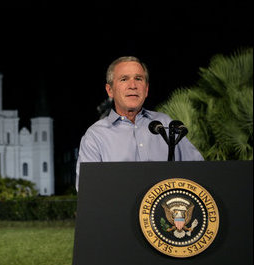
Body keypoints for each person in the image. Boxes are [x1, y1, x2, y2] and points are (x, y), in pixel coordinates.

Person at [75, 56, 204, 191]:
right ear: (110, 90)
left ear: (146, 89)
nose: (133, 86)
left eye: (138, 79)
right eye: (124, 79)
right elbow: (88, 191)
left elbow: (200, 172)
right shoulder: (96, 136)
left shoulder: (166, 124)